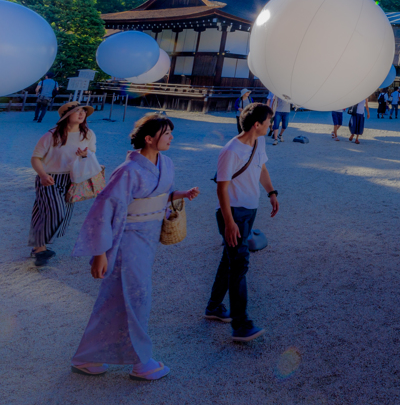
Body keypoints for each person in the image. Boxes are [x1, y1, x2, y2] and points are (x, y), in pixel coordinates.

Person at [70, 114, 200, 380]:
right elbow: (104, 210)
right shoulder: (128, 170)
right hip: (126, 240)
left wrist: (181, 195)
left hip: (147, 238)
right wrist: (100, 254)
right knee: (138, 298)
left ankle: (87, 357)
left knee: (117, 299)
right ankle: (141, 361)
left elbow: (161, 195)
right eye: (166, 134)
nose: (172, 137)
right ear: (149, 139)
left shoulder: (165, 163)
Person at [205, 102, 279, 342]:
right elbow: (222, 189)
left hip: (250, 210)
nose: (271, 124)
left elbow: (262, 169)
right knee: (239, 264)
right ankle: (241, 324)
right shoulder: (231, 151)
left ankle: (214, 307)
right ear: (257, 125)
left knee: (229, 259)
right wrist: (229, 223)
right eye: (268, 121)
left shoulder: (259, 141)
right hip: (233, 213)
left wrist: (271, 193)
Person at [29, 101, 97, 267]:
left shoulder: (88, 134)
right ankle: (40, 248)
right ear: (67, 116)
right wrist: (43, 175)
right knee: (56, 212)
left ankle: (39, 249)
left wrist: (84, 156)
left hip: (73, 179)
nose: (82, 114)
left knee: (57, 215)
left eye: (83, 111)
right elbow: (35, 158)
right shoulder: (51, 135)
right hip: (49, 178)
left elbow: (91, 155)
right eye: (77, 111)